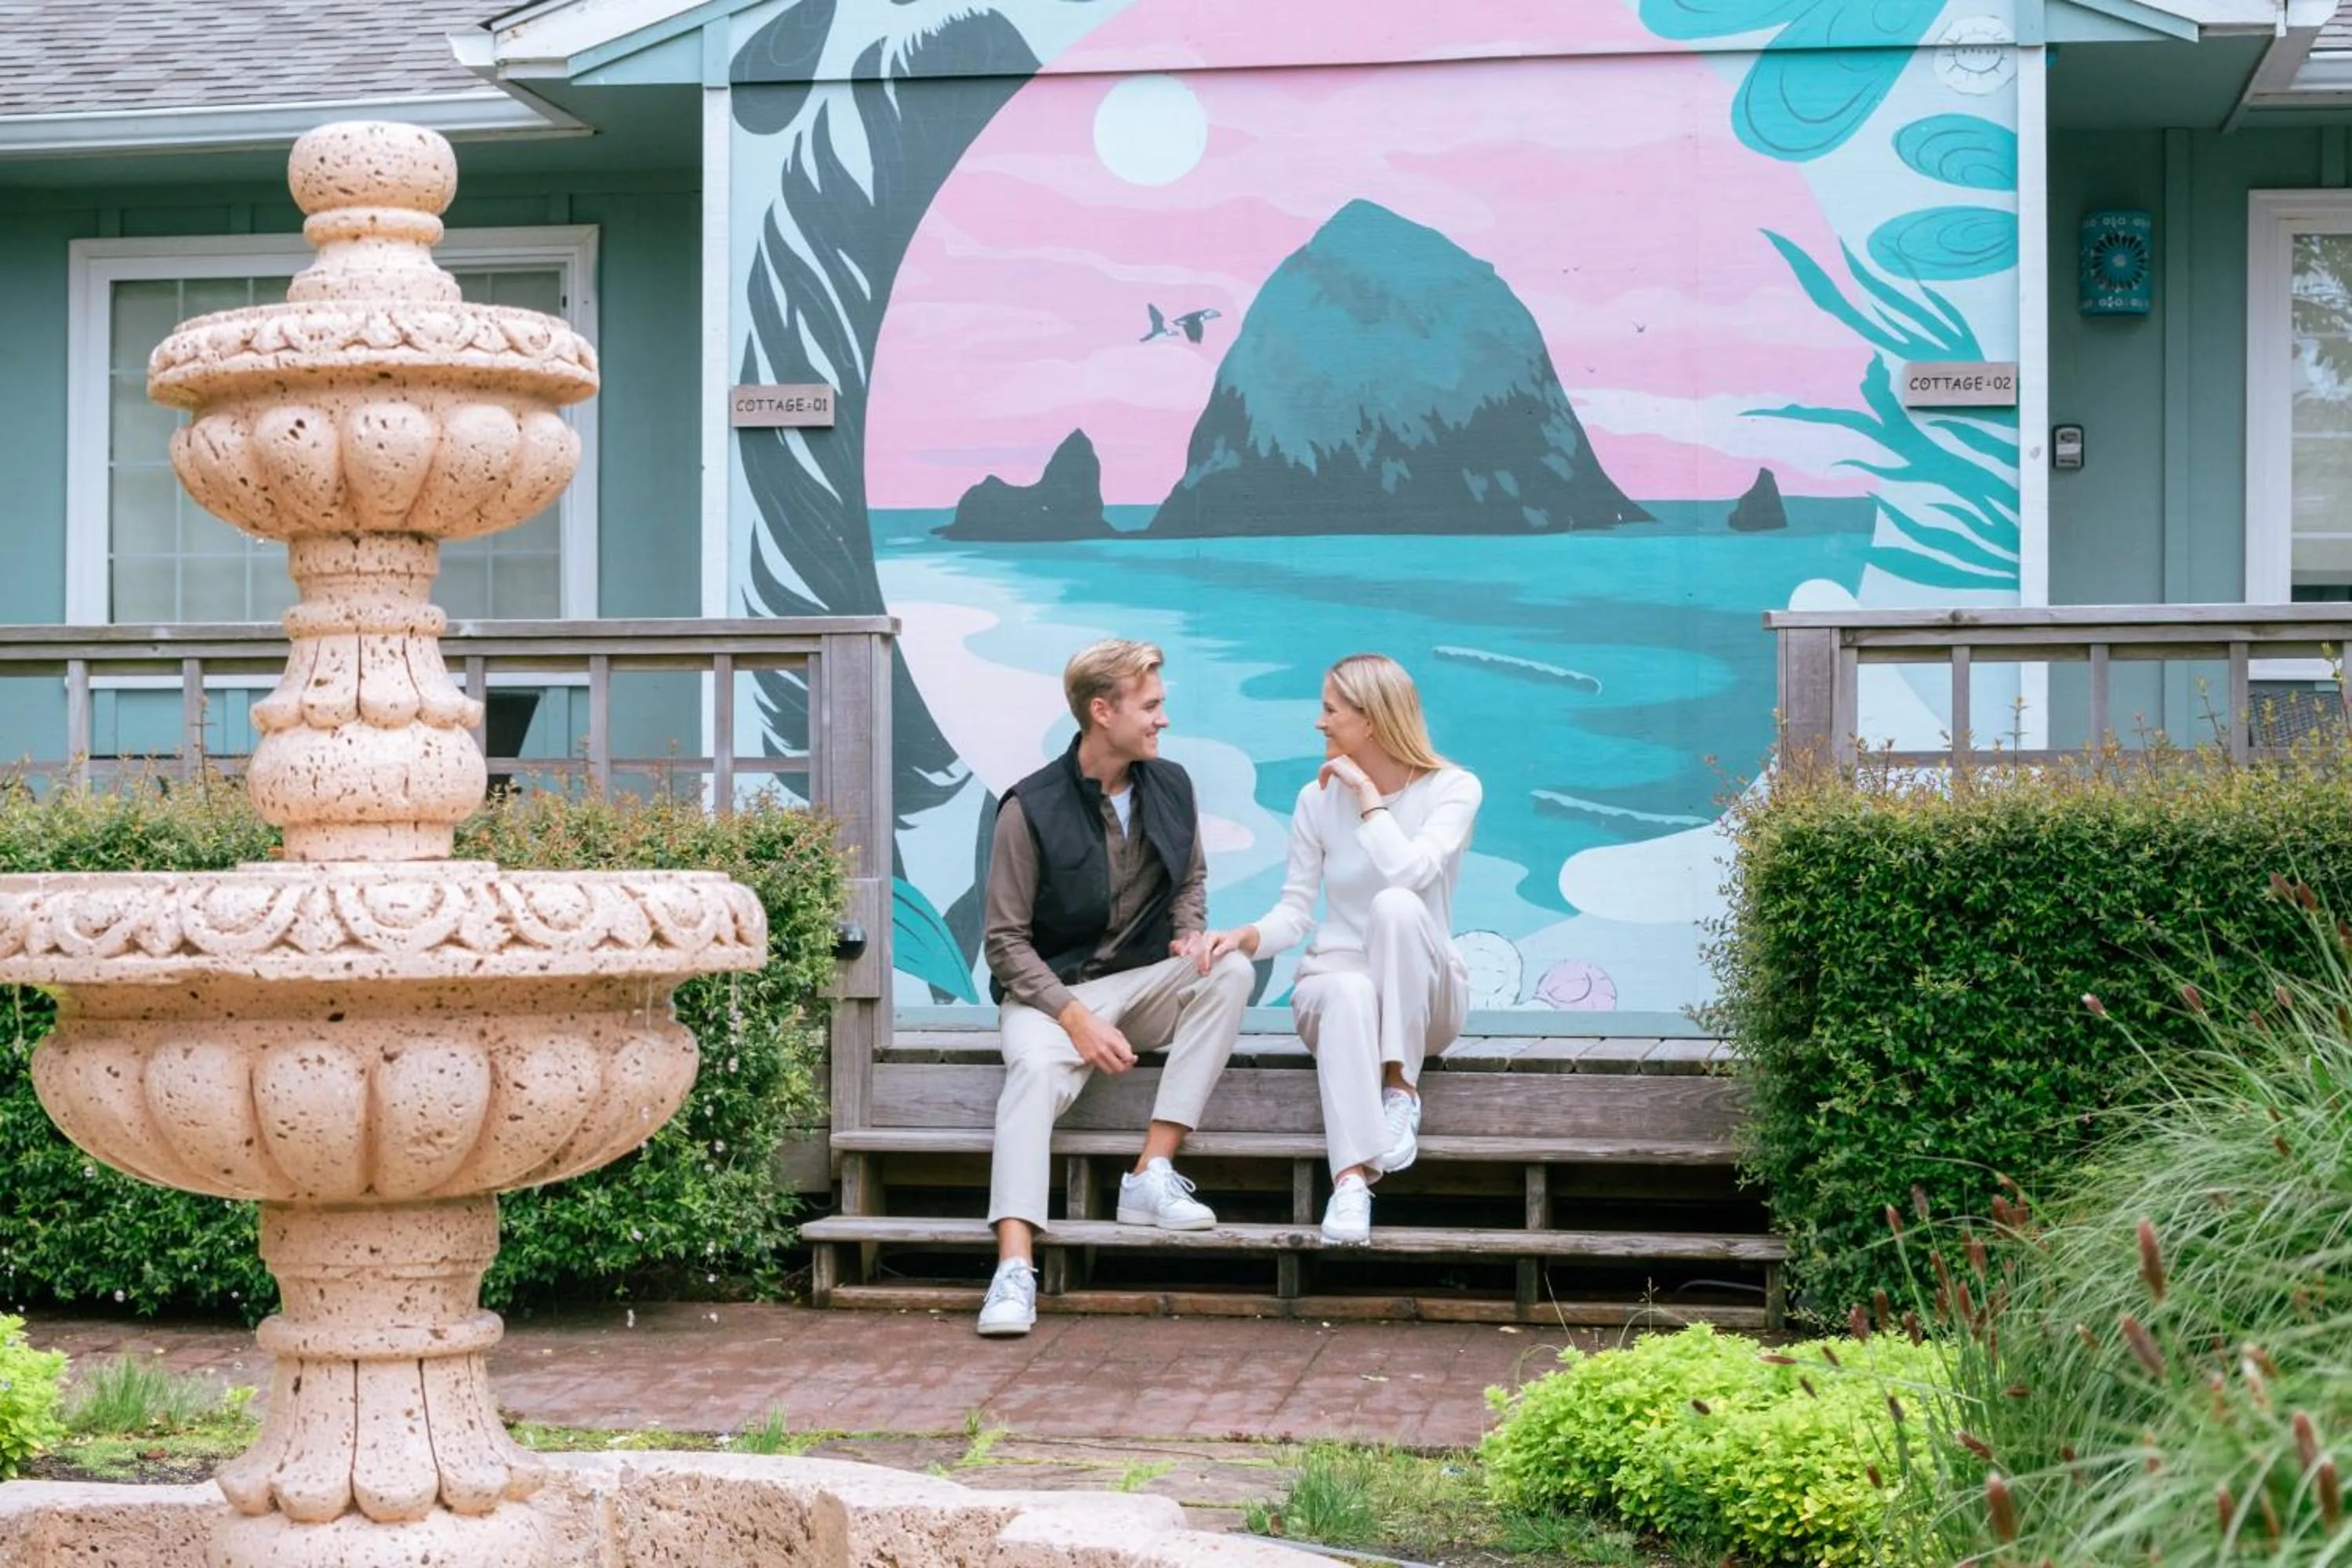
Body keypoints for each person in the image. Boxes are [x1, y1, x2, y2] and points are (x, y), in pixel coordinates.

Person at [976, 639, 1255, 1338]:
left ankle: (1150, 1174)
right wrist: (1073, 1018)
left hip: (1140, 988)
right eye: (1151, 706)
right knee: (1035, 1075)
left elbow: (1189, 881)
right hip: (1050, 998)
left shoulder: (1173, 783)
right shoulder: (1028, 809)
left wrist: (1191, 934)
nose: (1163, 719)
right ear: (1103, 712)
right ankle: (1013, 1269)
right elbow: (1005, 944)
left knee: (1231, 968)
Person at [1199, 654, 1481, 1245]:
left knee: (1396, 906)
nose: (1319, 724)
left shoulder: (1453, 789)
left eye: (1330, 711)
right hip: (1338, 989)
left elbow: (1410, 871)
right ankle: (1351, 1184)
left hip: (1427, 1003)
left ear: (1371, 720)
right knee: (1350, 987)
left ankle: (1400, 1086)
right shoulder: (1314, 799)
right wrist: (1245, 938)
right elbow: (1295, 912)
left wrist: (1366, 795)